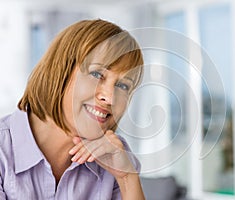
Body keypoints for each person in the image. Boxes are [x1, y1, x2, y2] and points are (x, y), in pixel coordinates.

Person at [0, 19, 145, 199]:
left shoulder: (117, 157)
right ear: (60, 72)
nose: (109, 98)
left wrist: (127, 178)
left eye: (123, 86)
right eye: (97, 74)